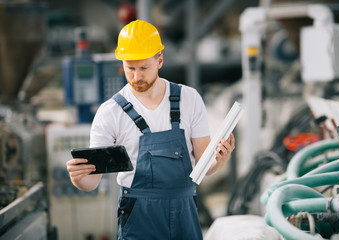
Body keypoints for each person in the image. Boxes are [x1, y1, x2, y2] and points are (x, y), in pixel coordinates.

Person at [66, 19, 235, 240]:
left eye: (144, 68)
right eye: (130, 68)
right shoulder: (110, 113)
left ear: (160, 60)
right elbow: (91, 183)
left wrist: (220, 161)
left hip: (185, 214)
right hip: (139, 217)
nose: (137, 77)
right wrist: (78, 178)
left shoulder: (189, 99)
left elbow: (202, 165)